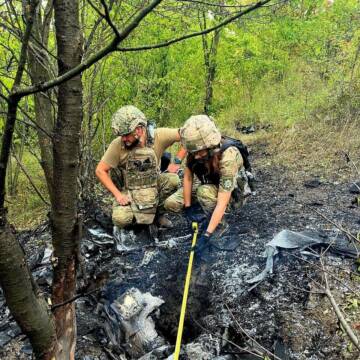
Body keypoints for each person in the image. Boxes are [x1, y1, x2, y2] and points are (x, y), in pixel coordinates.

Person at [164, 115, 249, 257]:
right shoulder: (195, 150)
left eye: (199, 152)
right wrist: (188, 207)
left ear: (210, 146)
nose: (196, 156)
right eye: (193, 153)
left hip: (232, 193)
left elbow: (222, 202)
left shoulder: (228, 157)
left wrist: (206, 236)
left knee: (204, 193)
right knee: (171, 203)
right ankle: (203, 215)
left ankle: (220, 228)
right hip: (208, 182)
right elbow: (188, 176)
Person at [95, 105, 186, 233]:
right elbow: (100, 170)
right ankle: (136, 222)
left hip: (154, 185)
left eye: (127, 135)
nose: (124, 139)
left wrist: (177, 160)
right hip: (130, 191)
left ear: (139, 129)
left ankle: (157, 215)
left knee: (173, 180)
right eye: (122, 136)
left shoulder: (158, 136)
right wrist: (118, 195)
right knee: (120, 219)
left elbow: (187, 134)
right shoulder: (118, 145)